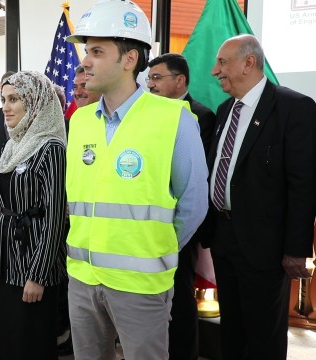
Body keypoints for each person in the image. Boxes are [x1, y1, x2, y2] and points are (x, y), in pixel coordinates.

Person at [64, 1, 208, 359]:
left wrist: (153, 247)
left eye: (97, 51)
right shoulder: (80, 122)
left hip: (141, 285)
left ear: (129, 60)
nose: (85, 61)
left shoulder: (174, 118)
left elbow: (193, 203)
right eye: (86, 51)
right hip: (82, 280)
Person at [203, 34, 316, 360]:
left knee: (263, 336)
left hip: (266, 246)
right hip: (224, 239)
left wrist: (297, 249)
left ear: (248, 62)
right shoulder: (225, 109)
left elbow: (304, 184)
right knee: (232, 332)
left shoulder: (293, 107)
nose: (215, 71)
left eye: (222, 62)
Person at [0, 70, 67, 360]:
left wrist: (38, 275)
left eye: (14, 99)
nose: (5, 106)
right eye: (4, 99)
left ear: (36, 102)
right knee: (6, 335)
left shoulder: (51, 148)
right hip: (6, 259)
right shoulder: (12, 144)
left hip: (34, 261)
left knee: (30, 340)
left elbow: (54, 217)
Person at [147, 52, 217, 360]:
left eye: (157, 78)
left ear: (180, 81)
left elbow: (192, 179)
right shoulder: (148, 114)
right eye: (149, 78)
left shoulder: (200, 115)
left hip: (180, 224)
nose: (150, 85)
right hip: (149, 225)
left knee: (180, 296)